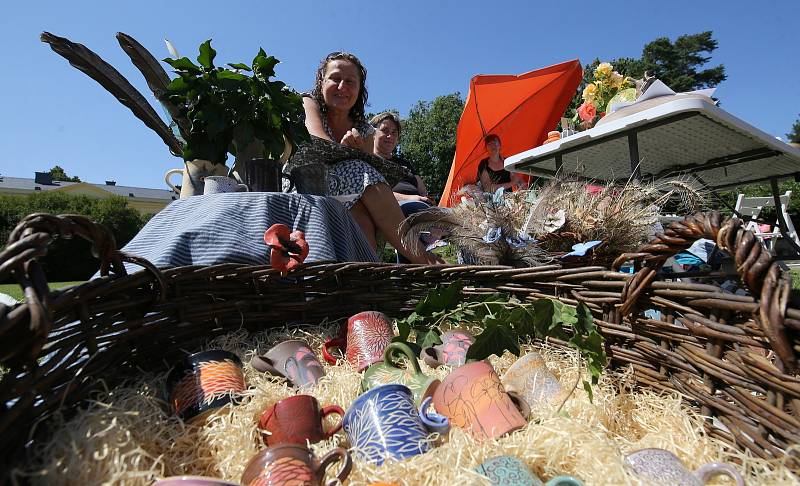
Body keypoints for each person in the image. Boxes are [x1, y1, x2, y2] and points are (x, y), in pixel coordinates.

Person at [302, 52, 442, 264]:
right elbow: (318, 141)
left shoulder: (364, 129)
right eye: (335, 78)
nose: (342, 87)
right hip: (307, 181)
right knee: (359, 170)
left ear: (359, 89)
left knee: (361, 211)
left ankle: (368, 278)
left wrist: (356, 152)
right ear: (321, 81)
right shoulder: (309, 104)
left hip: (349, 194)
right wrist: (347, 150)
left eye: (350, 81)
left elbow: (369, 171)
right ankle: (422, 258)